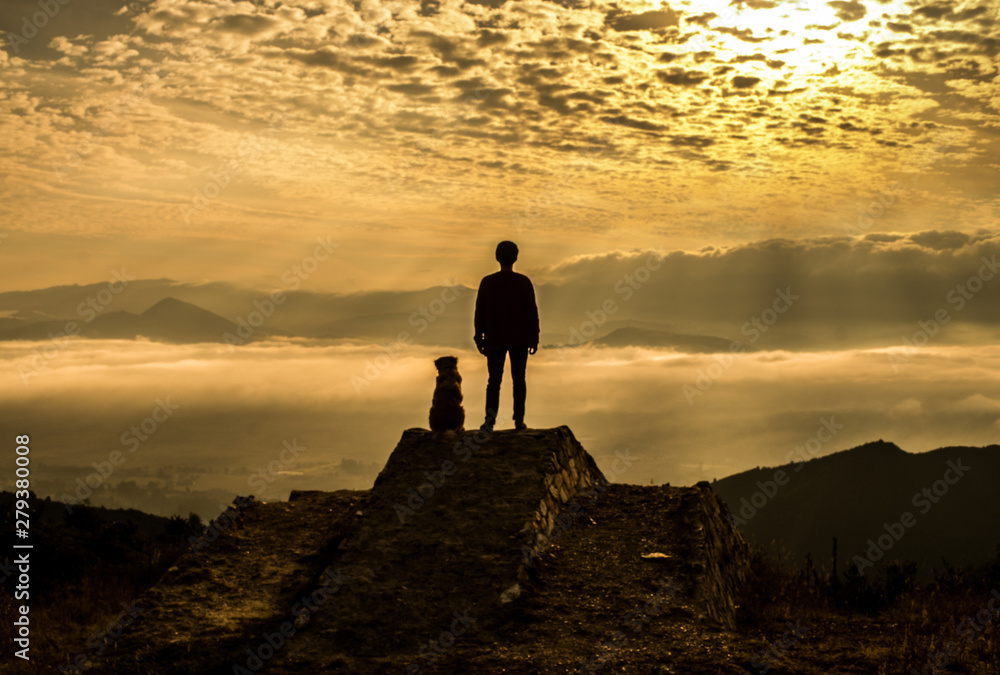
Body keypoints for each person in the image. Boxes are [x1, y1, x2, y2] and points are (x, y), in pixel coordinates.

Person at [474, 241, 539, 431]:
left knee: (494, 381)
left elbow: (480, 313)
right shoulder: (523, 282)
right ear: (516, 257)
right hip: (519, 339)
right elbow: (531, 313)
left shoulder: (487, 282)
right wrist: (534, 338)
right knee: (519, 379)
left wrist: (479, 338)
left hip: (495, 338)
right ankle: (519, 420)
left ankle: (489, 421)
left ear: (497, 257)